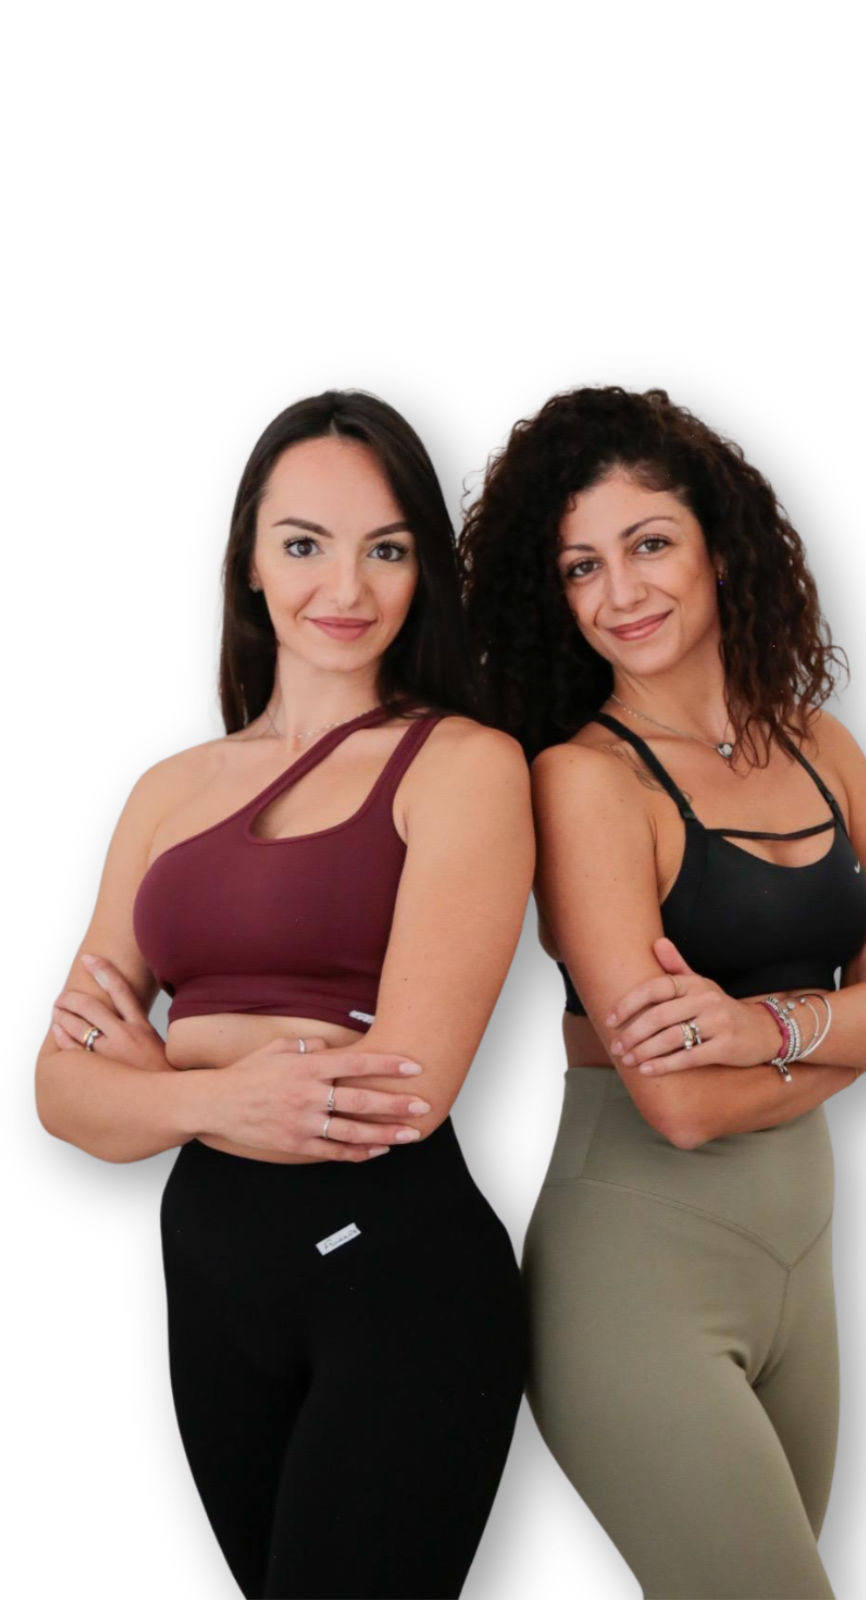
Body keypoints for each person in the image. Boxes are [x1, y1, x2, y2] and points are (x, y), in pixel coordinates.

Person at [457, 384, 866, 1600]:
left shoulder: (820, 744)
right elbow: (681, 1106)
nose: (620, 592)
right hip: (636, 1279)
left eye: (648, 544)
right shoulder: (585, 782)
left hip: (806, 1264)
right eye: (581, 566)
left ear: (720, 546)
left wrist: (766, 1028)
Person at [34, 389, 535, 1600]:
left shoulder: (464, 764)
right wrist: (214, 1103)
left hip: (397, 1277)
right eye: (305, 543)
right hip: (209, 1281)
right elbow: (57, 1088)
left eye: (386, 549)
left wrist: (156, 1078)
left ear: (423, 569)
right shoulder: (164, 791)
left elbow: (400, 1092)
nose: (344, 587)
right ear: (249, 560)